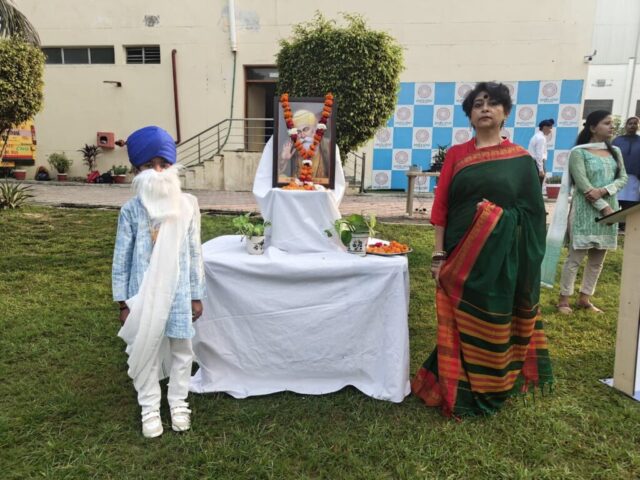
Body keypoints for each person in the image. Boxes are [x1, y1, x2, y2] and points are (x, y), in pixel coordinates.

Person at [411, 82, 553, 417]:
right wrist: (438, 254)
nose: (485, 108)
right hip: (460, 252)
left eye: (492, 103)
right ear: (470, 115)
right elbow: (441, 207)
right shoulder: (457, 155)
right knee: (459, 318)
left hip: (502, 257)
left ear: (506, 112)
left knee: (493, 315)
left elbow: (533, 215)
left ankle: (494, 382)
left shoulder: (521, 160)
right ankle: (456, 384)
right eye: (477, 104)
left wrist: (494, 218)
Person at [112, 126, 205, 438]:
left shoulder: (187, 206)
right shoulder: (131, 211)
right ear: (136, 171)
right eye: (149, 165)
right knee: (147, 350)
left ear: (174, 167)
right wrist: (123, 303)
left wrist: (196, 295)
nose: (158, 172)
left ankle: (178, 402)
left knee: (182, 348)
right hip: (142, 295)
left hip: (179, 293)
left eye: (164, 164)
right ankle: (149, 407)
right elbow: (121, 260)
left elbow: (194, 252)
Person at [542, 111, 627, 314]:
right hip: (585, 211)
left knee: (597, 260)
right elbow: (583, 185)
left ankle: (585, 298)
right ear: (592, 127)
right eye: (607, 123)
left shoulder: (615, 151)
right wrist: (604, 207)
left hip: (610, 209)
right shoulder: (578, 153)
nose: (612, 126)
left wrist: (605, 191)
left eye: (612, 123)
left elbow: (623, 177)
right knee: (575, 259)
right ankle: (564, 300)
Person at [279, 109, 330, 183]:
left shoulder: (327, 145)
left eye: (306, 129)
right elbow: (278, 177)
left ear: (314, 130)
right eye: (298, 132)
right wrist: (284, 159)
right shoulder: (290, 147)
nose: (302, 135)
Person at [612, 116, 640, 231]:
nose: (632, 125)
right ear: (626, 126)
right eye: (630, 123)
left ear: (638, 126)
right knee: (615, 200)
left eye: (635, 123)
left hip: (635, 177)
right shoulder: (617, 140)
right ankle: (614, 224)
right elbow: (611, 157)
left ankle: (626, 226)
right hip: (618, 176)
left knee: (631, 201)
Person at [528, 118, 555, 184]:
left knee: (534, 184)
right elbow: (539, 154)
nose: (550, 131)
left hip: (533, 163)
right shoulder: (541, 138)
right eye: (550, 128)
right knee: (538, 184)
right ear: (545, 127)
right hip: (537, 164)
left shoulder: (536, 136)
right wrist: (541, 169)